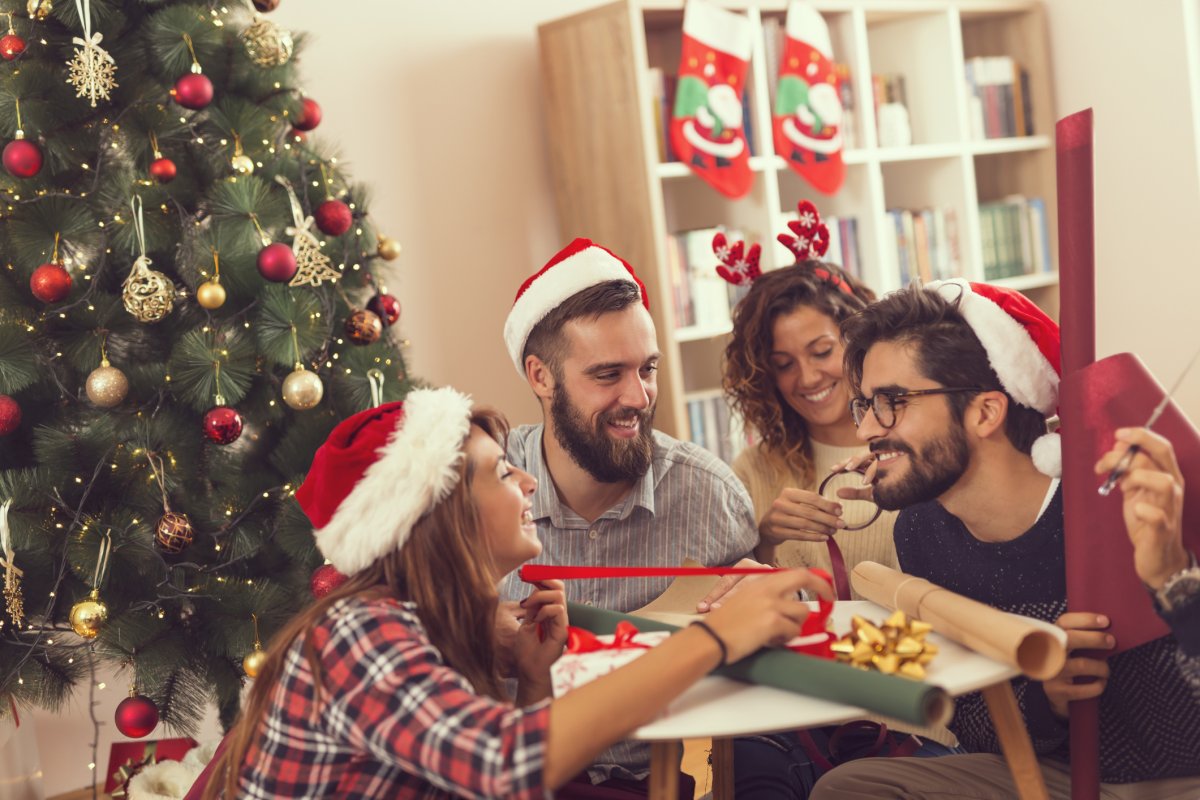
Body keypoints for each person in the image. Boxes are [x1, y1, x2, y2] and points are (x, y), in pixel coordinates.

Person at [197, 386, 828, 799]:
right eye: (501, 471)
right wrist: (714, 638)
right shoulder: (360, 632)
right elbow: (502, 767)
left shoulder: (428, 622)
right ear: (444, 513)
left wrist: (531, 682)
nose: (528, 480)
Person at [809, 280, 1200, 799]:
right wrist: (1047, 702)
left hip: (1180, 778)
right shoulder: (921, 531)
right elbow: (966, 717)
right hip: (1052, 778)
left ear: (986, 412)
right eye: (865, 406)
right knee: (849, 788)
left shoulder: (1131, 501)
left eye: (892, 402)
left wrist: (1174, 579)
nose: (866, 431)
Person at [497, 238, 762, 793]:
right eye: (607, 374)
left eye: (648, 369)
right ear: (541, 378)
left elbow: (757, 680)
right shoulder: (479, 494)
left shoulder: (709, 495)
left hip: (665, 779)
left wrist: (768, 608)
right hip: (516, 776)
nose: (638, 396)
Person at [721, 238, 959, 799]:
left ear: (856, 336)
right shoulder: (755, 468)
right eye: (783, 365)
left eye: (822, 350)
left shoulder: (921, 445)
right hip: (799, 712)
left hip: (910, 703)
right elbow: (735, 604)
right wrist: (765, 541)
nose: (806, 377)